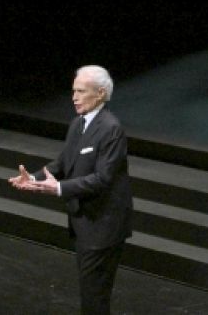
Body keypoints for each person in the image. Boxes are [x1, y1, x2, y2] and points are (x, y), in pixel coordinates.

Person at [9, 65, 134, 315]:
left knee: (94, 296)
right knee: (90, 292)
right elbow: (63, 163)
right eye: (73, 91)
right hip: (85, 224)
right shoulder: (78, 123)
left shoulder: (111, 128)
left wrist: (58, 189)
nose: (74, 97)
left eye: (81, 91)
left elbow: (102, 179)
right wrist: (33, 179)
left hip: (103, 226)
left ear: (100, 93)